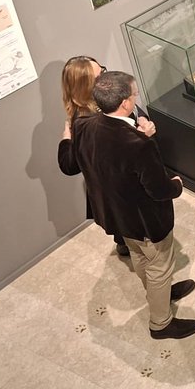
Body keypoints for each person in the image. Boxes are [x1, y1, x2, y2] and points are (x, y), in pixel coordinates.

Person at [71, 72, 195, 340]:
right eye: (134, 95)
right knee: (157, 265)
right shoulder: (136, 144)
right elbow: (159, 189)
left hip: (117, 214)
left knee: (140, 257)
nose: (135, 98)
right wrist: (177, 184)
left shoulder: (84, 125)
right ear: (125, 104)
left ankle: (160, 292)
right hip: (145, 220)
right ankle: (161, 323)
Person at [58, 55, 158, 257]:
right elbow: (71, 165)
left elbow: (133, 112)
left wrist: (141, 120)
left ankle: (125, 242)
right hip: (120, 190)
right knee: (150, 253)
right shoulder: (88, 122)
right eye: (99, 77)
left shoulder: (99, 104)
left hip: (116, 189)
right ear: (85, 86)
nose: (105, 78)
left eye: (103, 70)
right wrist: (66, 140)